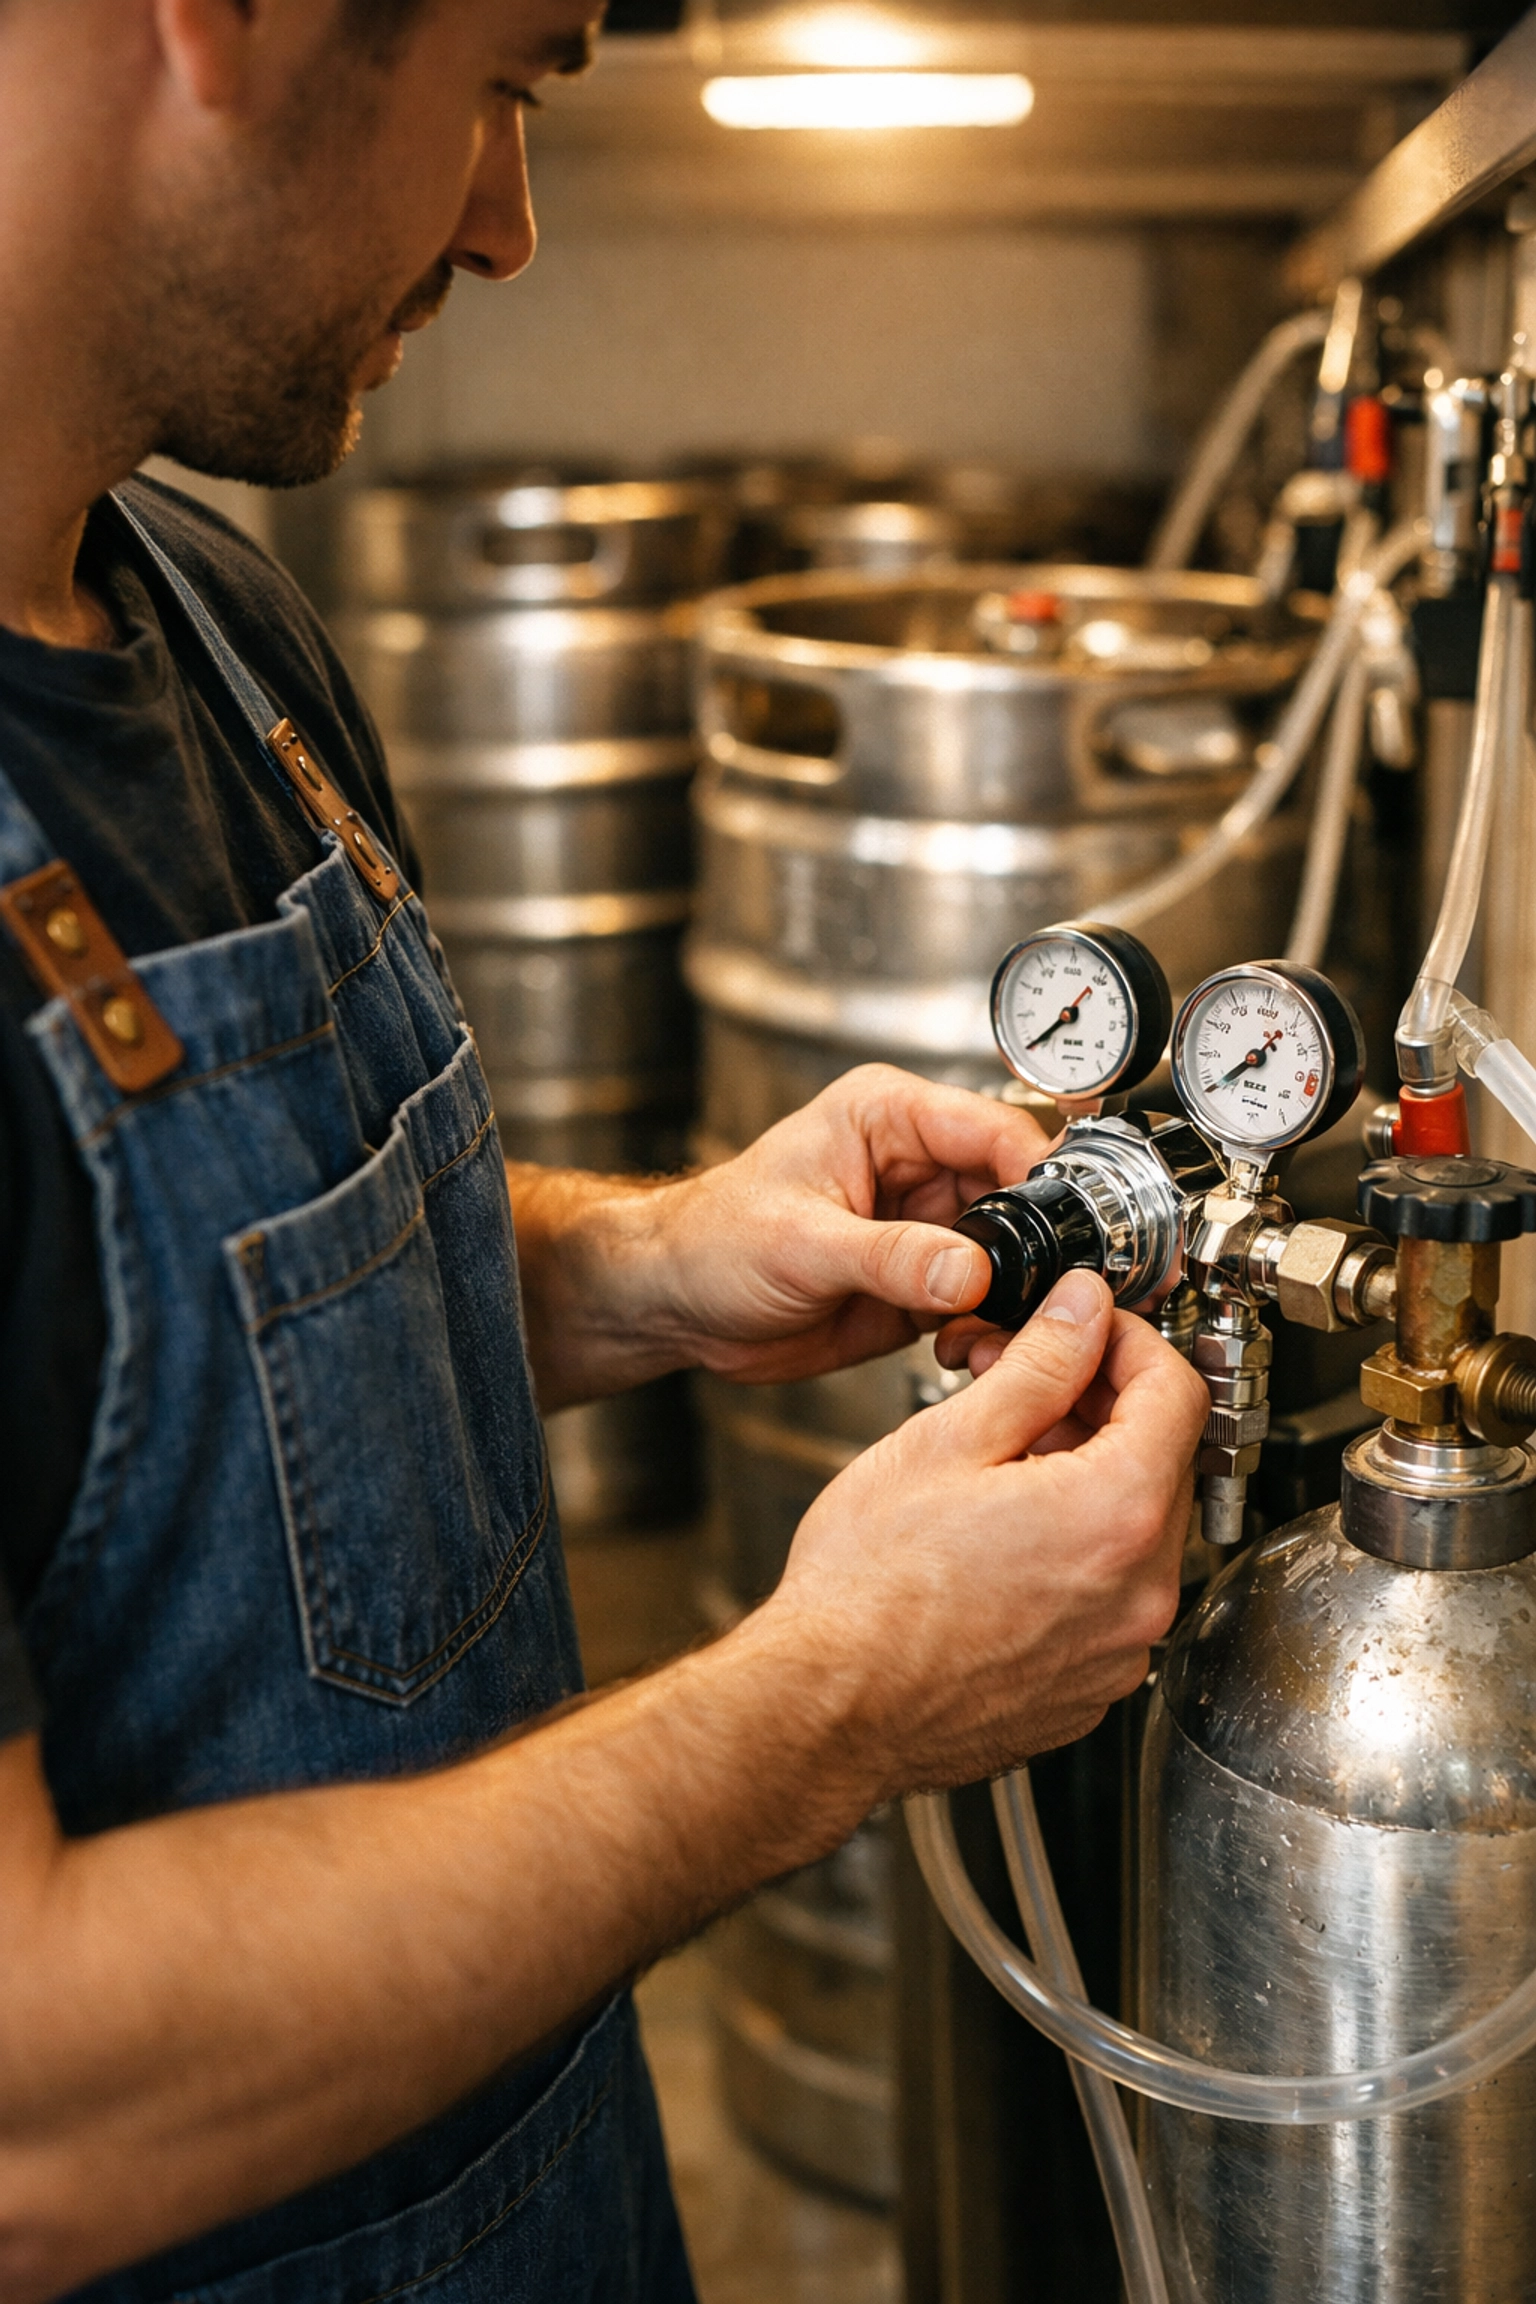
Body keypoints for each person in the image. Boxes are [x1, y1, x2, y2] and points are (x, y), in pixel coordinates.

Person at [0, 2, 1210, 2298]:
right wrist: (829, 1703)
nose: (511, 222)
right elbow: (27, 2103)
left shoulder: (212, 617)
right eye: (508, 85)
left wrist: (651, 1259)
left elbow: (162, 1327)